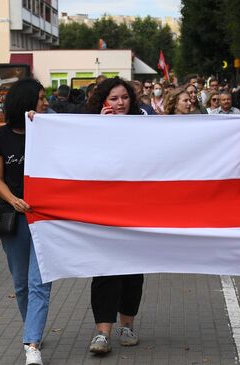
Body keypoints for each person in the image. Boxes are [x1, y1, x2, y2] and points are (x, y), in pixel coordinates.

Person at [0, 78, 52, 365]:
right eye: (41, 98)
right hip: (13, 218)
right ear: (26, 100)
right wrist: (13, 199)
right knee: (21, 284)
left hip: (45, 217)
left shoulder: (47, 130)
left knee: (40, 282)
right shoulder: (1, 136)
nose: (46, 102)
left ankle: (32, 344)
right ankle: (33, 329)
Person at [84, 77, 144, 354]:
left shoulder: (144, 123)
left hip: (135, 209)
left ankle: (127, 326)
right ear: (104, 101)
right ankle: (102, 333)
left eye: (124, 98)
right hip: (103, 208)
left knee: (133, 269)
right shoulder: (90, 123)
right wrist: (99, 127)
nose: (120, 103)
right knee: (105, 269)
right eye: (114, 98)